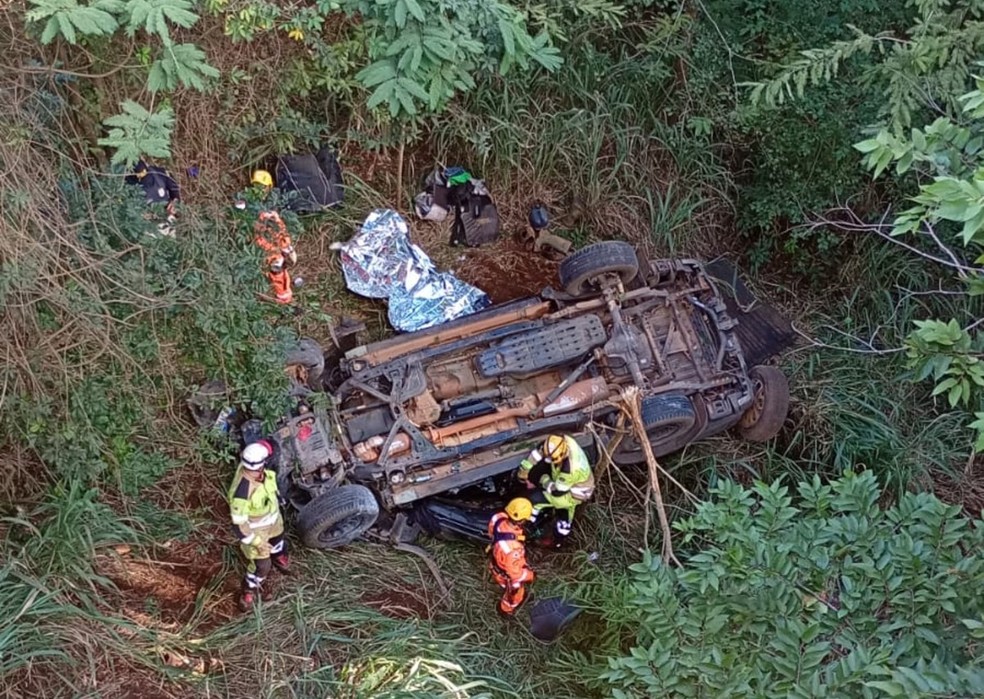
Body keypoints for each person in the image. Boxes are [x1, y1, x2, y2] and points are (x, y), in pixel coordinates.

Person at [228, 441, 290, 611]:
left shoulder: (258, 470)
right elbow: (239, 526)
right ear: (260, 464)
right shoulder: (242, 492)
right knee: (262, 566)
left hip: (273, 521)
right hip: (256, 532)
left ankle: (278, 556)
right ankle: (249, 588)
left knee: (278, 540)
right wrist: (257, 542)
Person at [518, 434, 595, 542]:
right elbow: (538, 452)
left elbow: (556, 492)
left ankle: (530, 523)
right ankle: (562, 519)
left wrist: (542, 480)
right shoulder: (558, 442)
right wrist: (524, 470)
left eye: (552, 459)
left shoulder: (569, 470)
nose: (548, 459)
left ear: (562, 455)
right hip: (569, 483)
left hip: (574, 494)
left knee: (534, 498)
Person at [487, 498, 536, 617]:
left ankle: (505, 591)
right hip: (507, 572)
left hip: (495, 561)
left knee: (502, 578)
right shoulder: (513, 549)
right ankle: (506, 609)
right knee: (515, 593)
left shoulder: (498, 518)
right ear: (521, 521)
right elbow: (515, 574)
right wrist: (530, 575)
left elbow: (491, 532)